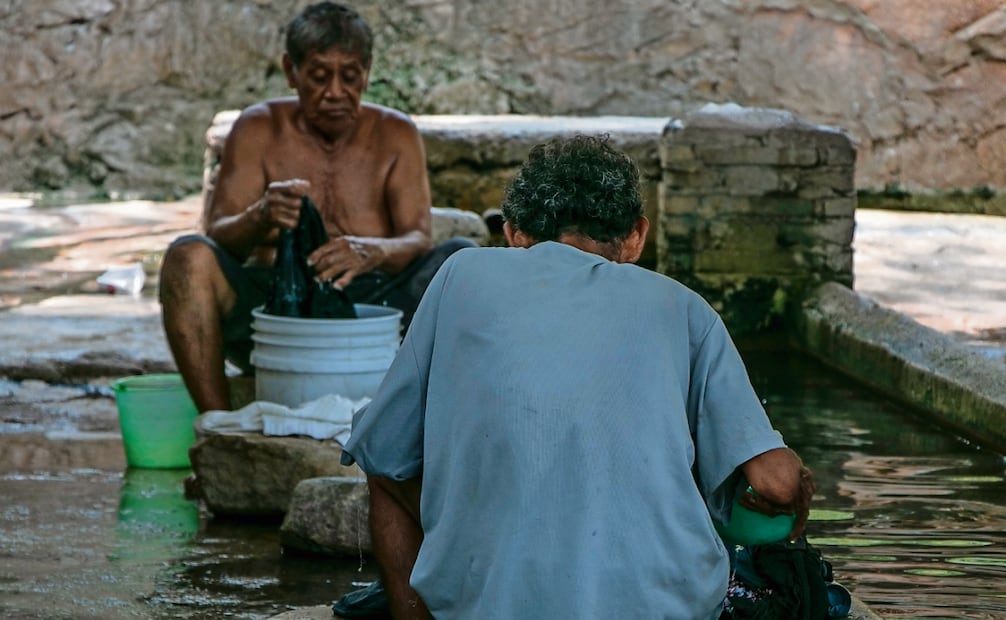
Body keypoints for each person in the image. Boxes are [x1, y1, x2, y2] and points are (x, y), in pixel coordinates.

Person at [339, 134, 814, 619]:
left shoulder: (461, 275)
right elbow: (775, 484)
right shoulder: (683, 306)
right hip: (664, 607)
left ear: (513, 233)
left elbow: (383, 448)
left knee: (383, 469)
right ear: (636, 237)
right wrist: (790, 479)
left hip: (493, 604)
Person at [158, 2, 473, 413]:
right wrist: (261, 215)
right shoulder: (257, 128)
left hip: (373, 310)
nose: (336, 93)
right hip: (272, 311)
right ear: (292, 72)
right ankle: (218, 422)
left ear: (368, 70)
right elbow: (218, 235)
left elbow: (417, 237)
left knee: (463, 260)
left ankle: (439, 421)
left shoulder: (395, 133)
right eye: (320, 77)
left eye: (350, 76)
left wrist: (371, 250)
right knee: (187, 257)